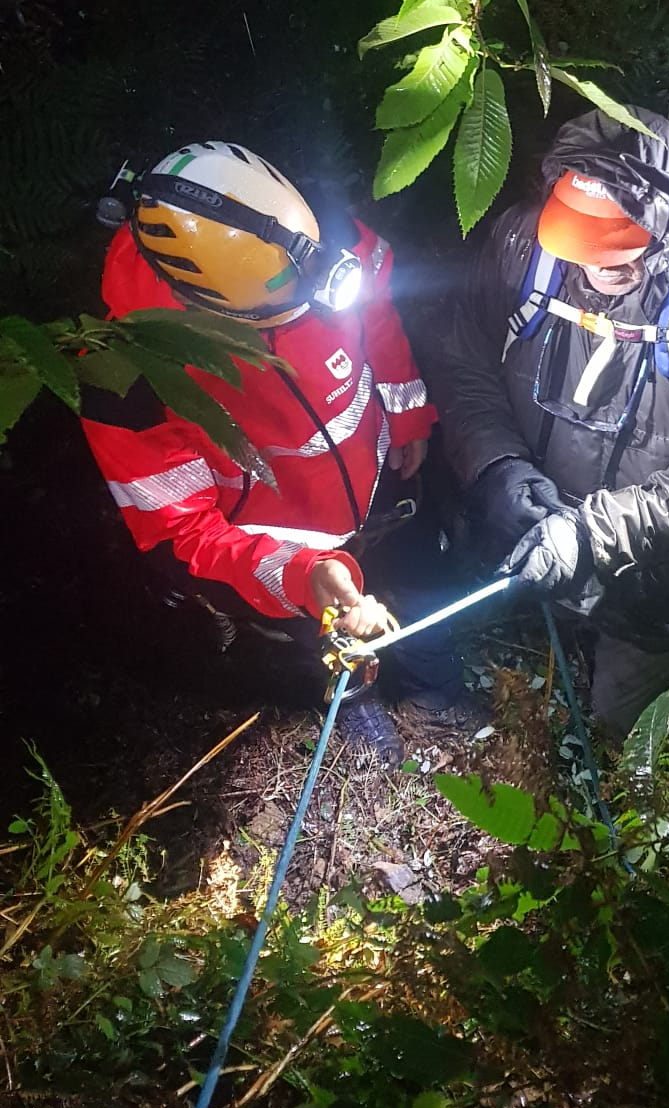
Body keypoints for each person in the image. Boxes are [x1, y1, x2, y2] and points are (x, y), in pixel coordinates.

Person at [426, 106, 669, 737]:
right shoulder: (526, 246)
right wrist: (497, 466)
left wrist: (591, 537)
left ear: (668, 223)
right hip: (530, 530)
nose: (600, 263)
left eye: (622, 242)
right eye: (583, 240)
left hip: (655, 576)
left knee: (636, 743)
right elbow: (465, 362)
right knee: (514, 688)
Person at [81, 140, 462, 748]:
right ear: (208, 309)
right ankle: (353, 703)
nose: (315, 293)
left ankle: (437, 682)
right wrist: (302, 577)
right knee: (320, 634)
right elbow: (183, 534)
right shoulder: (131, 376)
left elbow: (380, 318)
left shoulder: (322, 237)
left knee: (417, 570)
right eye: (285, 303)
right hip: (277, 540)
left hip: (380, 481)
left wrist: (408, 413)